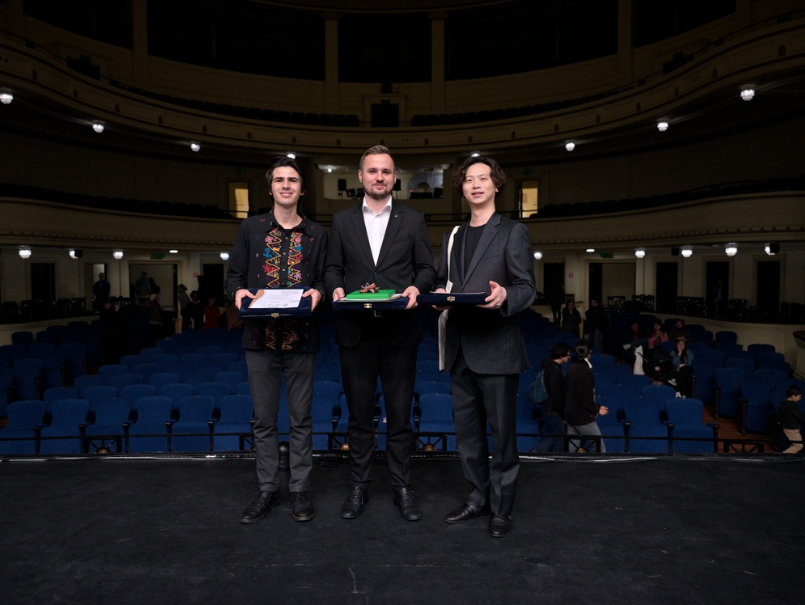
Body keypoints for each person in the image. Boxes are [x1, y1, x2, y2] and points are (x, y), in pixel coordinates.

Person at [324, 145, 435, 522]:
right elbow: (332, 270)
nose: (379, 177)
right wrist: (336, 288)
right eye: (372, 171)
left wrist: (417, 289)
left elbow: (426, 269)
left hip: (399, 332)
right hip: (355, 332)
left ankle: (402, 487)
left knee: (400, 416)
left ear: (394, 177)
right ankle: (359, 486)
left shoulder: (414, 219)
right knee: (358, 416)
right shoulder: (341, 221)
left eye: (386, 171)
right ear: (360, 176)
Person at [432, 155, 536, 538]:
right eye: (468, 179)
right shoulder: (453, 236)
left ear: (496, 185)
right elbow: (444, 282)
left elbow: (528, 288)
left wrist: (506, 294)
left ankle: (501, 508)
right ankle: (477, 498)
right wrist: (440, 295)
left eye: (483, 178)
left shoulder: (512, 232)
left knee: (502, 436)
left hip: (497, 348)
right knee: (468, 437)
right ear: (461, 187)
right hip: (460, 348)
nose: (476, 184)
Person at [225, 155, 328, 524]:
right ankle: (268, 489)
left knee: (301, 419)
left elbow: (323, 281)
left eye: (293, 180)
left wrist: (318, 294)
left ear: (302, 189)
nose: (286, 185)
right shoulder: (250, 229)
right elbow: (234, 276)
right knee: (264, 421)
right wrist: (238, 294)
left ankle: (299, 491)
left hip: (302, 338)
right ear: (270, 187)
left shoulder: (317, 234)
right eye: (280, 180)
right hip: (259, 338)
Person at [564, 340, 608, 453]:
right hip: (582, 418)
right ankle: (596, 471)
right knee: (599, 449)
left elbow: (568, 394)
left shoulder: (571, 368)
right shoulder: (585, 372)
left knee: (572, 451)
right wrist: (597, 409)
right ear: (589, 352)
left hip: (570, 416)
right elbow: (586, 399)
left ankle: (572, 471)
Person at [534, 342, 571, 453]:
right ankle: (555, 461)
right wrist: (564, 414)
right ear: (561, 356)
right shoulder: (553, 371)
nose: (569, 357)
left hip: (552, 409)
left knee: (558, 435)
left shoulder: (553, 368)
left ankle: (537, 451)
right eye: (568, 355)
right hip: (553, 410)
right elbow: (556, 395)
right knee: (559, 437)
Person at [778, 385, 804, 454]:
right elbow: (799, 416)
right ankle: (783, 456)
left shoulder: (783, 403)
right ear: (793, 396)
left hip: (787, 427)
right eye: (799, 397)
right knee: (798, 445)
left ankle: (789, 457)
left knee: (794, 444)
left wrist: (778, 420)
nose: (800, 399)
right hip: (793, 428)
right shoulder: (793, 405)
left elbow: (779, 413)